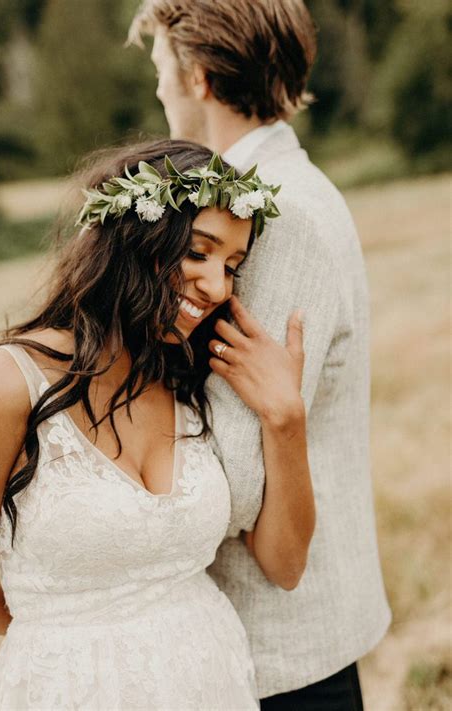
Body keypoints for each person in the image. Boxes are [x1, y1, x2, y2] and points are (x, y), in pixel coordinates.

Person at [0, 140, 313, 710]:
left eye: (232, 266)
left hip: (211, 682)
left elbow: (285, 565)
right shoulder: (1, 384)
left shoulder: (192, 381)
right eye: (198, 253)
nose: (218, 287)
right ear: (134, 241)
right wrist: (72, 647)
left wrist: (285, 419)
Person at [129, 1, 392, 708]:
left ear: (200, 76)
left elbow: (239, 475)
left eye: (160, 68)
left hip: (279, 656)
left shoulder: (276, 213)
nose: (158, 89)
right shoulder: (273, 194)